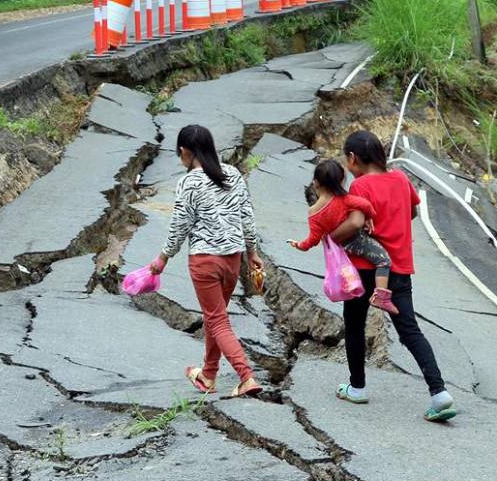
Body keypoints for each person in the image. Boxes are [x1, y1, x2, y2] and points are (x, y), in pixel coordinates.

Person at [329, 130, 457, 422]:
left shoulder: (360, 186)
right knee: (410, 331)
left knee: (355, 325)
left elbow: (356, 222)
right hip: (398, 267)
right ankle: (439, 393)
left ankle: (357, 387)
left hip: (364, 269)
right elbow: (412, 210)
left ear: (352, 158)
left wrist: (333, 236)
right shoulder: (400, 178)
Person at [151, 124, 264, 398]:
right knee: (216, 317)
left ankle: (246, 376)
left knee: (217, 320)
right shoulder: (233, 174)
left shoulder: (188, 182)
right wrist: (252, 253)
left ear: (184, 152)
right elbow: (246, 216)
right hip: (232, 260)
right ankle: (208, 375)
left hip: (205, 261)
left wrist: (163, 258)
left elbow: (180, 225)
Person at [288, 159, 399, 315]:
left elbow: (313, 239)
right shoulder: (344, 200)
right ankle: (381, 296)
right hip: (356, 240)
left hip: (340, 246)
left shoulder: (313, 212)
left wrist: (300, 245)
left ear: (315, 183)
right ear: (341, 180)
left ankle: (352, 286)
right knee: (383, 260)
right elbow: (365, 205)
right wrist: (369, 217)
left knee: (346, 266)